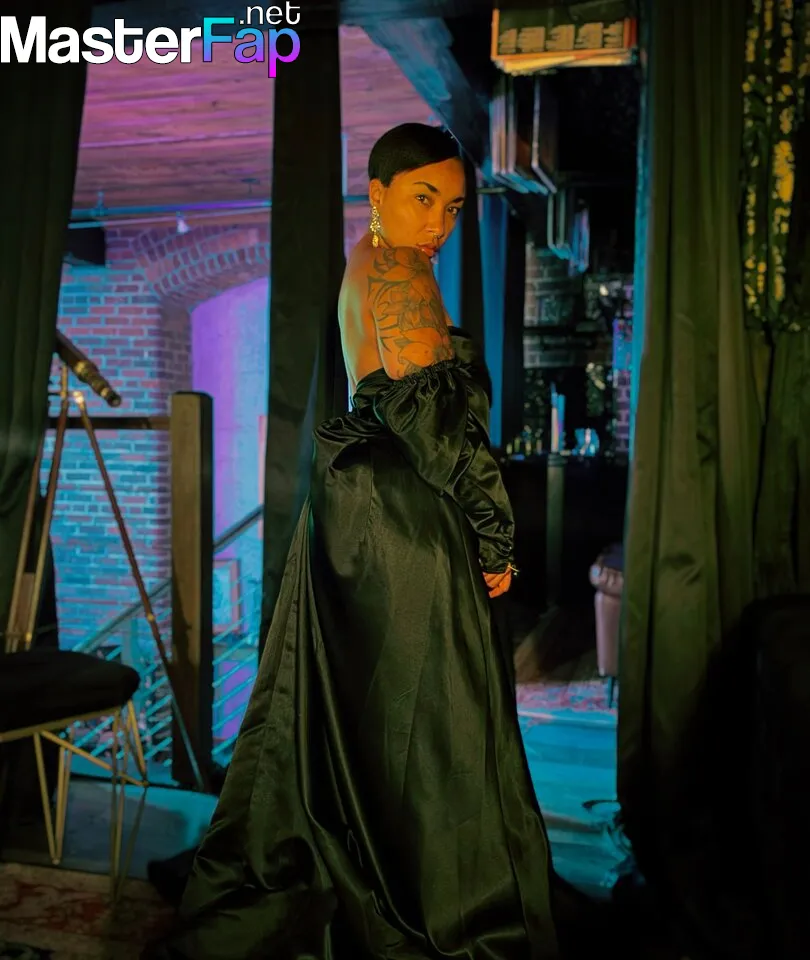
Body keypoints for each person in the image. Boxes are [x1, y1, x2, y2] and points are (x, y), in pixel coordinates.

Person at [147, 123, 560, 959]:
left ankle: (376, 869)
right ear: (378, 194)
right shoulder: (400, 271)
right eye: (423, 198)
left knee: (373, 710)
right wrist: (495, 532)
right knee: (436, 715)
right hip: (407, 514)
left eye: (452, 207)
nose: (438, 223)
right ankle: (441, 896)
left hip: (365, 508)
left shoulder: (368, 259)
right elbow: (434, 426)